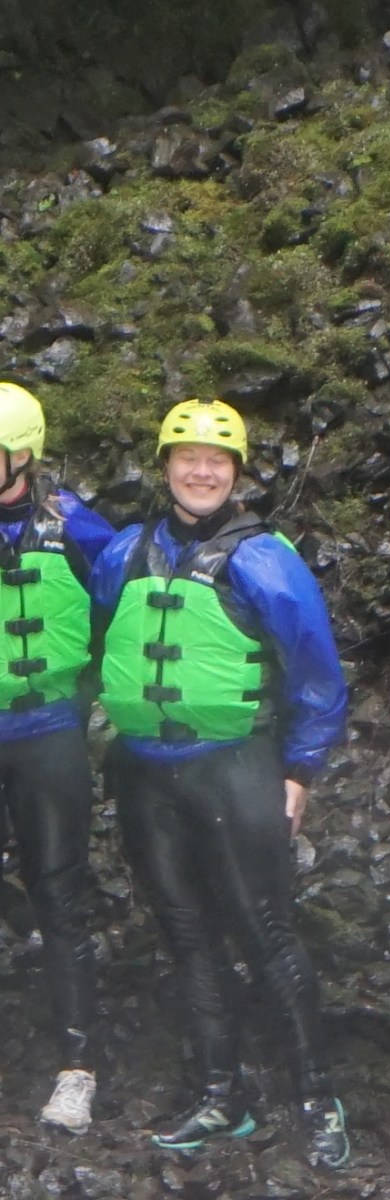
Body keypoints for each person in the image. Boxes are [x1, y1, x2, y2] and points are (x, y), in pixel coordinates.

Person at [88, 397, 351, 1169]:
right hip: (147, 773)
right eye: (188, 457)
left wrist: (301, 768)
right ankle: (218, 1096)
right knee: (187, 936)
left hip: (235, 767)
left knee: (265, 932)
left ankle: (317, 1098)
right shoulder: (125, 553)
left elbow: (315, 671)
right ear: (165, 465)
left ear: (235, 474)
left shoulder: (265, 558)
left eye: (218, 461)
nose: (202, 471)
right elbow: (111, 634)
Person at [0, 382, 114, 1135]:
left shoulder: (73, 525)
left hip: (47, 732)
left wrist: (98, 696)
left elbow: (132, 603)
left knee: (60, 893)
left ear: (24, 453)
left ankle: (76, 1068)